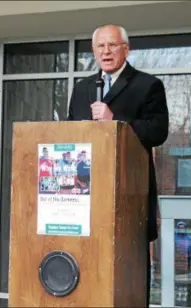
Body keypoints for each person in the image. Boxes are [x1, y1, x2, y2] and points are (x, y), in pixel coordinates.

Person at [67, 24, 169, 306]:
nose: (106, 51)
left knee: (127, 279)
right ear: (94, 51)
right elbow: (69, 133)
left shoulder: (148, 85)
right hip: (85, 198)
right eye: (100, 46)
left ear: (126, 48)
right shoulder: (82, 88)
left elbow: (158, 131)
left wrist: (116, 121)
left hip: (128, 197)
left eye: (112, 45)